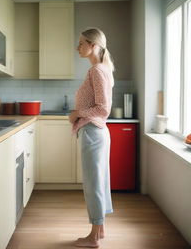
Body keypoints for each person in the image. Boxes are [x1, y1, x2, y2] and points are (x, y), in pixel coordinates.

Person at [69, 28, 114, 248]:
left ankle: (94, 237)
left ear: (93, 45)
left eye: (80, 43)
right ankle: (100, 230)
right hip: (97, 132)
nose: (77, 47)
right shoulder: (101, 69)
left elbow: (103, 108)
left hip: (93, 132)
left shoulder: (96, 70)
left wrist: (77, 113)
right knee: (100, 183)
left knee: (93, 184)